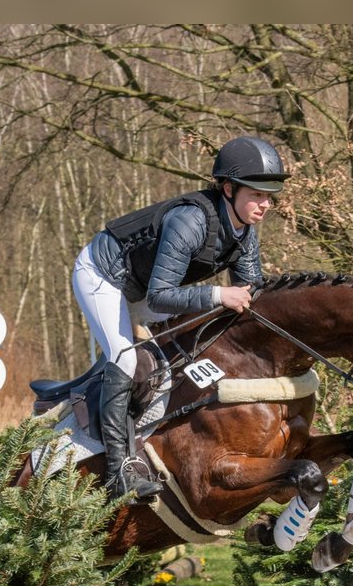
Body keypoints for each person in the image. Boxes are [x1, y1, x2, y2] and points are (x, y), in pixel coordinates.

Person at [71, 135, 289, 503]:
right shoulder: (189, 220)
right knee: (125, 358)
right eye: (257, 194)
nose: (265, 204)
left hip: (145, 284)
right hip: (104, 275)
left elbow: (253, 299)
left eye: (269, 196)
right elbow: (160, 296)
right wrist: (220, 294)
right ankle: (117, 471)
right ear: (228, 188)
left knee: (194, 336)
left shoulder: (244, 234)